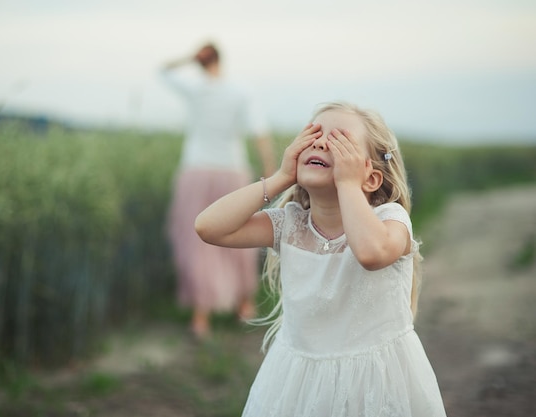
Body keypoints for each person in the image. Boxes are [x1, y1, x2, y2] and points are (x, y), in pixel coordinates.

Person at [195, 102, 446, 416]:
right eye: (312, 135)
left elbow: (371, 253)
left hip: (375, 384)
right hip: (297, 383)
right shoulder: (291, 224)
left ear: (371, 178)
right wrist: (280, 177)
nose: (321, 142)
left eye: (341, 141)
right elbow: (208, 227)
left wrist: (347, 184)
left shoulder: (389, 220)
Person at [160, 42, 276, 339]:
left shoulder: (195, 90)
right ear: (221, 59)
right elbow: (259, 132)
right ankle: (244, 306)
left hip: (196, 170)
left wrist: (188, 56)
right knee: (240, 233)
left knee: (196, 238)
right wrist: (271, 170)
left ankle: (201, 318)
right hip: (232, 171)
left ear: (200, 62)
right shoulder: (241, 91)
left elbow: (163, 71)